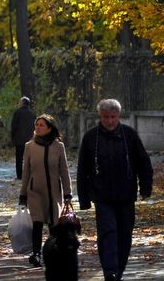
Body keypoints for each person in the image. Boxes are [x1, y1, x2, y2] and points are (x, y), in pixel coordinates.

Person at [77, 99, 154, 281]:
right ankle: (110, 271)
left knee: (124, 236)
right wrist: (84, 199)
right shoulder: (90, 138)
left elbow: (144, 164)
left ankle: (117, 272)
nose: (110, 121)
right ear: (100, 117)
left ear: (119, 116)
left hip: (126, 195)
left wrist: (145, 188)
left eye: (113, 117)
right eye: (105, 117)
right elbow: (83, 170)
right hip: (102, 196)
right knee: (108, 233)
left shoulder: (129, 135)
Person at [18, 114, 72, 267]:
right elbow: (26, 172)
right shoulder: (30, 146)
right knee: (37, 223)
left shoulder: (58, 146)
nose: (38, 127)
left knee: (54, 225)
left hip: (54, 192)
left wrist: (68, 192)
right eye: (37, 125)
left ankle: (54, 253)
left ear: (50, 128)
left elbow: (64, 171)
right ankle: (36, 254)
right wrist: (23, 194)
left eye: (42, 125)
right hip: (35, 191)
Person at [10, 96, 35, 180]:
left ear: (22, 103)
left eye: (20, 102)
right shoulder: (32, 113)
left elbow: (14, 125)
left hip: (19, 139)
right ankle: (30, 174)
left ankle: (20, 175)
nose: (19, 103)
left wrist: (12, 136)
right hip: (30, 139)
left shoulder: (17, 112)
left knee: (19, 159)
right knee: (30, 158)